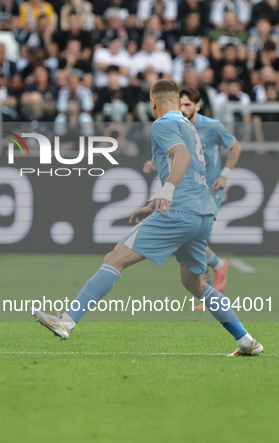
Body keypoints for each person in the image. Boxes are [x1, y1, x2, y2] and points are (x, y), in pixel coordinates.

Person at [34, 80, 263, 358]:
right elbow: (190, 173)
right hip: (202, 214)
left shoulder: (162, 124)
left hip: (178, 212)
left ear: (153, 103)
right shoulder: (190, 126)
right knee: (196, 284)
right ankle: (246, 341)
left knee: (114, 258)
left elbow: (182, 157)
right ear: (180, 103)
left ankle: (67, 320)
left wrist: (166, 191)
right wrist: (156, 203)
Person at [143, 86, 242, 302]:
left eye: (189, 104)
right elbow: (175, 152)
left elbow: (235, 147)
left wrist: (224, 174)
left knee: (193, 237)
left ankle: (209, 281)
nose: (185, 107)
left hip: (209, 189)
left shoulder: (212, 126)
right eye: (183, 103)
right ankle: (215, 269)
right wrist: (155, 161)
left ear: (197, 106)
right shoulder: (180, 126)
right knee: (191, 239)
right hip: (188, 192)